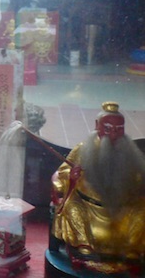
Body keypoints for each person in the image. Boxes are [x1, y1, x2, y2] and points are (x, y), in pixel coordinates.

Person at [51, 101, 145, 273]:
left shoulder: (129, 151)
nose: (114, 134)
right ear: (97, 126)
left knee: (142, 210)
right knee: (72, 208)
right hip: (88, 207)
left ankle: (132, 250)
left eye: (119, 129)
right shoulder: (83, 149)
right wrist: (71, 176)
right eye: (108, 128)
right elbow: (61, 173)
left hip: (122, 209)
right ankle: (84, 248)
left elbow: (139, 178)